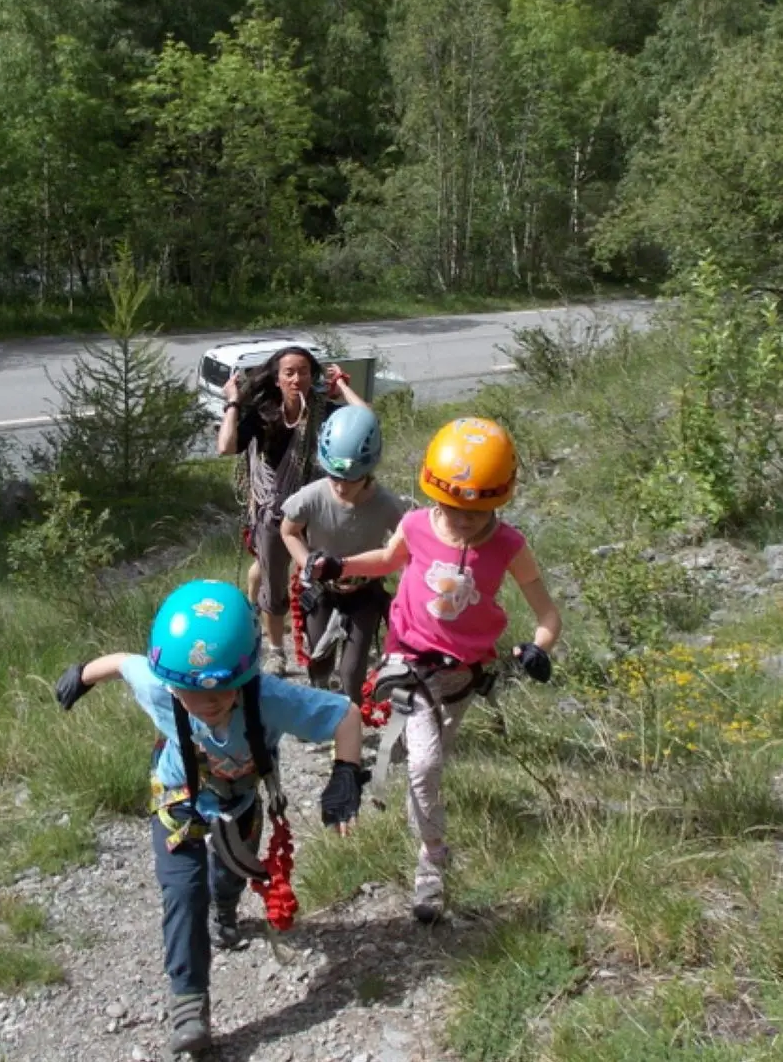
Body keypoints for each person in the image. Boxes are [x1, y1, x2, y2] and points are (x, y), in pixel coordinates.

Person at [53, 579, 367, 1058]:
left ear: (245, 674)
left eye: (222, 692)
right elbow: (122, 663)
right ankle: (188, 1003)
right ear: (171, 681)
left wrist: (346, 773)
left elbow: (346, 715)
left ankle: (226, 910)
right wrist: (82, 675)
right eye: (192, 694)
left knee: (229, 876)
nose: (208, 704)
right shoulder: (160, 686)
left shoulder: (269, 698)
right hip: (177, 799)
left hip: (238, 801)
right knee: (183, 891)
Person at [337, 416, 562, 924]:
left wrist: (538, 647)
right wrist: (339, 564)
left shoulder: (509, 546)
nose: (463, 520)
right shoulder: (417, 525)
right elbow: (386, 560)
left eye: (477, 512)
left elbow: (547, 614)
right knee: (424, 764)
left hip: (464, 675)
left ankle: (423, 821)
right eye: (453, 508)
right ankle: (433, 862)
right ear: (434, 493)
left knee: (432, 765)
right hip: (410, 661)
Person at [217, 346, 367, 677]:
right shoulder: (263, 414)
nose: (297, 378)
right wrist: (233, 402)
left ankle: (322, 640)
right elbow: (226, 446)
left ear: (313, 377)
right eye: (289, 372)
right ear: (277, 379)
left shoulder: (323, 412)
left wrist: (342, 386)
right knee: (274, 585)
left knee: (321, 575)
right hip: (273, 511)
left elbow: (365, 421)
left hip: (315, 511)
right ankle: (275, 650)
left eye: (304, 372)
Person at [282, 404, 406, 705]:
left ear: (368, 471)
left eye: (351, 479)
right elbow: (289, 530)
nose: (340, 486)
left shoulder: (386, 505)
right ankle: (321, 705)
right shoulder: (313, 496)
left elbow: (406, 545)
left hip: (364, 592)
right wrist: (306, 563)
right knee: (319, 661)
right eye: (334, 476)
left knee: (352, 672)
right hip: (321, 590)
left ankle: (349, 720)